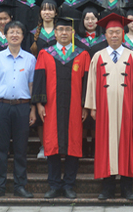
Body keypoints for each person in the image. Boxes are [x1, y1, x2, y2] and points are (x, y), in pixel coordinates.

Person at [85, 13, 133, 201]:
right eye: (111, 32)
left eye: (118, 32)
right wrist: (92, 106)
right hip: (104, 109)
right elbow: (92, 83)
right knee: (106, 146)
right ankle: (107, 188)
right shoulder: (98, 56)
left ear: (123, 34)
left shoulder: (132, 56)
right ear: (105, 35)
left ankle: (127, 188)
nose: (114, 35)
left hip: (127, 109)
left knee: (127, 146)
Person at [32, 16, 90, 199]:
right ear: (55, 33)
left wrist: (85, 106)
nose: (64, 33)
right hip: (51, 106)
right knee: (52, 144)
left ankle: (69, 185)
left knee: (74, 143)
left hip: (75, 107)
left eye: (67, 30)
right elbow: (39, 80)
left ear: (72, 33)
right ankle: (54, 185)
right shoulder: (45, 54)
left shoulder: (82, 54)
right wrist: (39, 104)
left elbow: (87, 83)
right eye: (60, 30)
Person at [0, 20, 37, 198]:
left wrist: (32, 109)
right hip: (1, 106)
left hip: (22, 107)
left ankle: (20, 186)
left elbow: (32, 86)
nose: (14, 35)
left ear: (23, 36)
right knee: (0, 149)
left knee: (21, 149)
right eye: (11, 32)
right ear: (5, 36)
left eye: (18, 32)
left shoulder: (30, 59)